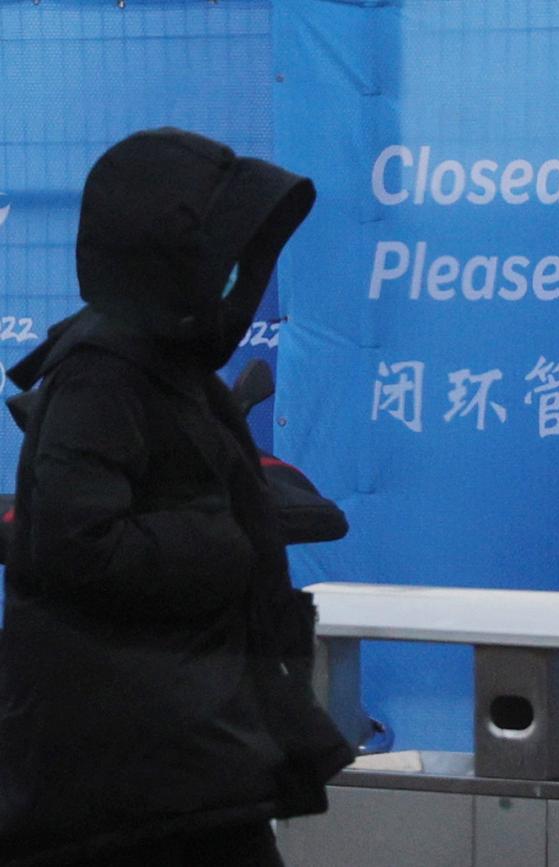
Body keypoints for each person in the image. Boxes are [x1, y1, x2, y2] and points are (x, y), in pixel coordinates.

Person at [0, 129, 353, 865]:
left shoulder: (159, 363)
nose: (234, 277)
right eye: (220, 256)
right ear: (165, 257)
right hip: (131, 769)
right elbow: (77, 542)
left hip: (175, 752)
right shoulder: (103, 373)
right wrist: (221, 538)